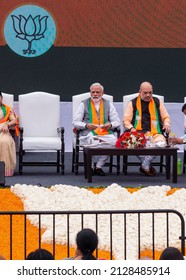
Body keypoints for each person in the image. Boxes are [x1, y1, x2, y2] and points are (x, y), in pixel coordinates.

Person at [123, 81, 171, 176]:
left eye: (150, 92)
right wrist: (131, 128)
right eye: (145, 93)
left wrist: (166, 124)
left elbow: (166, 117)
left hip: (155, 133)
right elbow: (126, 120)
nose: (148, 95)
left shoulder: (157, 102)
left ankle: (145, 164)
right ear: (139, 92)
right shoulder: (132, 103)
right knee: (133, 144)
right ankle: (146, 165)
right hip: (137, 133)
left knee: (161, 144)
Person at [73, 82, 121, 176]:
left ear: (102, 93)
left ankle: (99, 166)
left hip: (104, 132)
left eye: (97, 92)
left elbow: (117, 121)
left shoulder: (108, 104)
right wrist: (86, 126)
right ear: (90, 93)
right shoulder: (84, 104)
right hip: (89, 132)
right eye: (93, 92)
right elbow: (75, 122)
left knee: (113, 143)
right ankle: (90, 167)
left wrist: (110, 125)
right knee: (92, 142)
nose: (95, 94)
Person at [0, 92, 17, 176]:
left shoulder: (7, 109)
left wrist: (7, 124)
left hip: (4, 132)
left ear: (1, 98)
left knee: (4, 142)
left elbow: (14, 120)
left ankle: (4, 171)